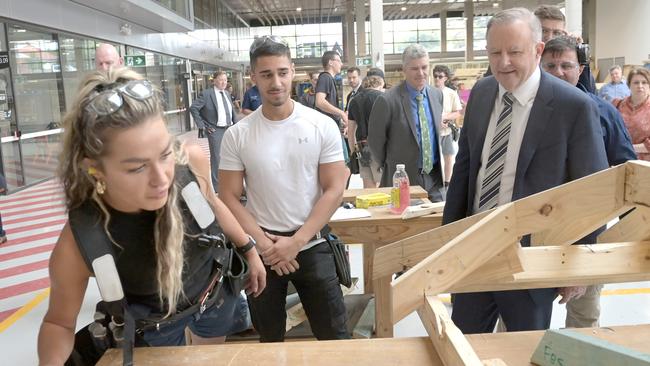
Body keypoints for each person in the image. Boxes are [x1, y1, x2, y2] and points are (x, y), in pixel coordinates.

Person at [37, 68, 266, 364]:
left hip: (215, 294)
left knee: (210, 356)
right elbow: (59, 323)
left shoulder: (189, 161)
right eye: (137, 168)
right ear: (94, 169)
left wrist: (249, 251)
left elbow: (214, 204)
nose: (162, 178)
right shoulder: (81, 240)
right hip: (154, 324)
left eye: (164, 154)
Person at [443, 8, 608, 334]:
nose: (503, 62)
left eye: (514, 52)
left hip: (530, 258)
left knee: (522, 349)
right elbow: (465, 171)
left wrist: (577, 267)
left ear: (537, 50)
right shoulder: (482, 93)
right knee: (462, 344)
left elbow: (594, 196)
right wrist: (448, 242)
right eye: (495, 52)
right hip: (474, 251)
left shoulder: (573, 106)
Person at [219, 35, 349, 342]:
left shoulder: (321, 125)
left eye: (281, 72)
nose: (275, 82)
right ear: (254, 78)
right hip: (261, 250)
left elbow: (334, 189)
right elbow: (228, 196)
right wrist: (265, 246)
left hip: (313, 244)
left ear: (292, 71)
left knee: (335, 340)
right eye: (266, 74)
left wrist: (297, 241)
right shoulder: (238, 135)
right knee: (268, 343)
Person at [541, 36, 636, 329]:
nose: (558, 72)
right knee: (519, 322)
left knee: (584, 319)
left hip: (589, 234)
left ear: (581, 70)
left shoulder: (605, 113)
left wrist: (624, 242)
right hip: (535, 232)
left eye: (566, 65)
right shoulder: (525, 113)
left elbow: (627, 175)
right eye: (551, 65)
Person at [368, 44, 446, 202]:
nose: (421, 73)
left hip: (434, 178)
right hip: (403, 178)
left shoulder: (437, 95)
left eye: (424, 67)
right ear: (404, 69)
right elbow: (376, 143)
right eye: (414, 69)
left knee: (438, 223)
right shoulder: (387, 101)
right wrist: (392, 164)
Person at [189, 71, 236, 192]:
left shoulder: (226, 93)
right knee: (217, 159)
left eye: (225, 80)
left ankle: (230, 184)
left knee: (232, 157)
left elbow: (232, 112)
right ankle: (217, 188)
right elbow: (193, 108)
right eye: (220, 79)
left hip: (230, 129)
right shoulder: (206, 94)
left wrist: (237, 126)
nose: (223, 82)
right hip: (216, 131)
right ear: (214, 80)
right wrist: (203, 125)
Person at [534, 4, 596, 94]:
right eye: (544, 31)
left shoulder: (572, 61)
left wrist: (580, 55)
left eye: (556, 32)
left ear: (564, 34)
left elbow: (588, 95)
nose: (550, 37)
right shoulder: (522, 58)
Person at [347, 69, 386, 188]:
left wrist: (353, 151)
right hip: (378, 147)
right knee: (381, 183)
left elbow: (350, 130)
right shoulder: (382, 97)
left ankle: (370, 206)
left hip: (361, 146)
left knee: (368, 184)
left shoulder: (354, 100)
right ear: (381, 82)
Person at [432, 65, 463, 185]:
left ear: (446, 78)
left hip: (446, 131)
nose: (437, 79)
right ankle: (434, 181)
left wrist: (444, 118)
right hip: (432, 131)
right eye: (435, 76)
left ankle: (447, 181)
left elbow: (457, 113)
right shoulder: (428, 91)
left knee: (449, 156)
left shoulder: (451, 93)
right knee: (433, 158)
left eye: (440, 76)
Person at [613, 67, 650, 161]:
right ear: (629, 85)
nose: (640, 86)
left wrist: (628, 148)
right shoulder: (617, 104)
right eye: (636, 82)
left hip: (644, 165)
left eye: (644, 82)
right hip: (619, 161)